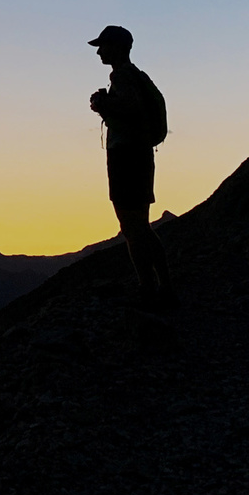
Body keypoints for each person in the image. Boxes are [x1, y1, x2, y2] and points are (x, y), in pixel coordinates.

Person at [87, 25, 177, 309]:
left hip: (126, 157)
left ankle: (149, 287)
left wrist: (102, 103)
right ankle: (162, 283)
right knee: (141, 224)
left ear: (117, 47)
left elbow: (129, 108)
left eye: (103, 46)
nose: (99, 51)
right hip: (140, 155)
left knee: (131, 225)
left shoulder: (122, 75)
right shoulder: (135, 75)